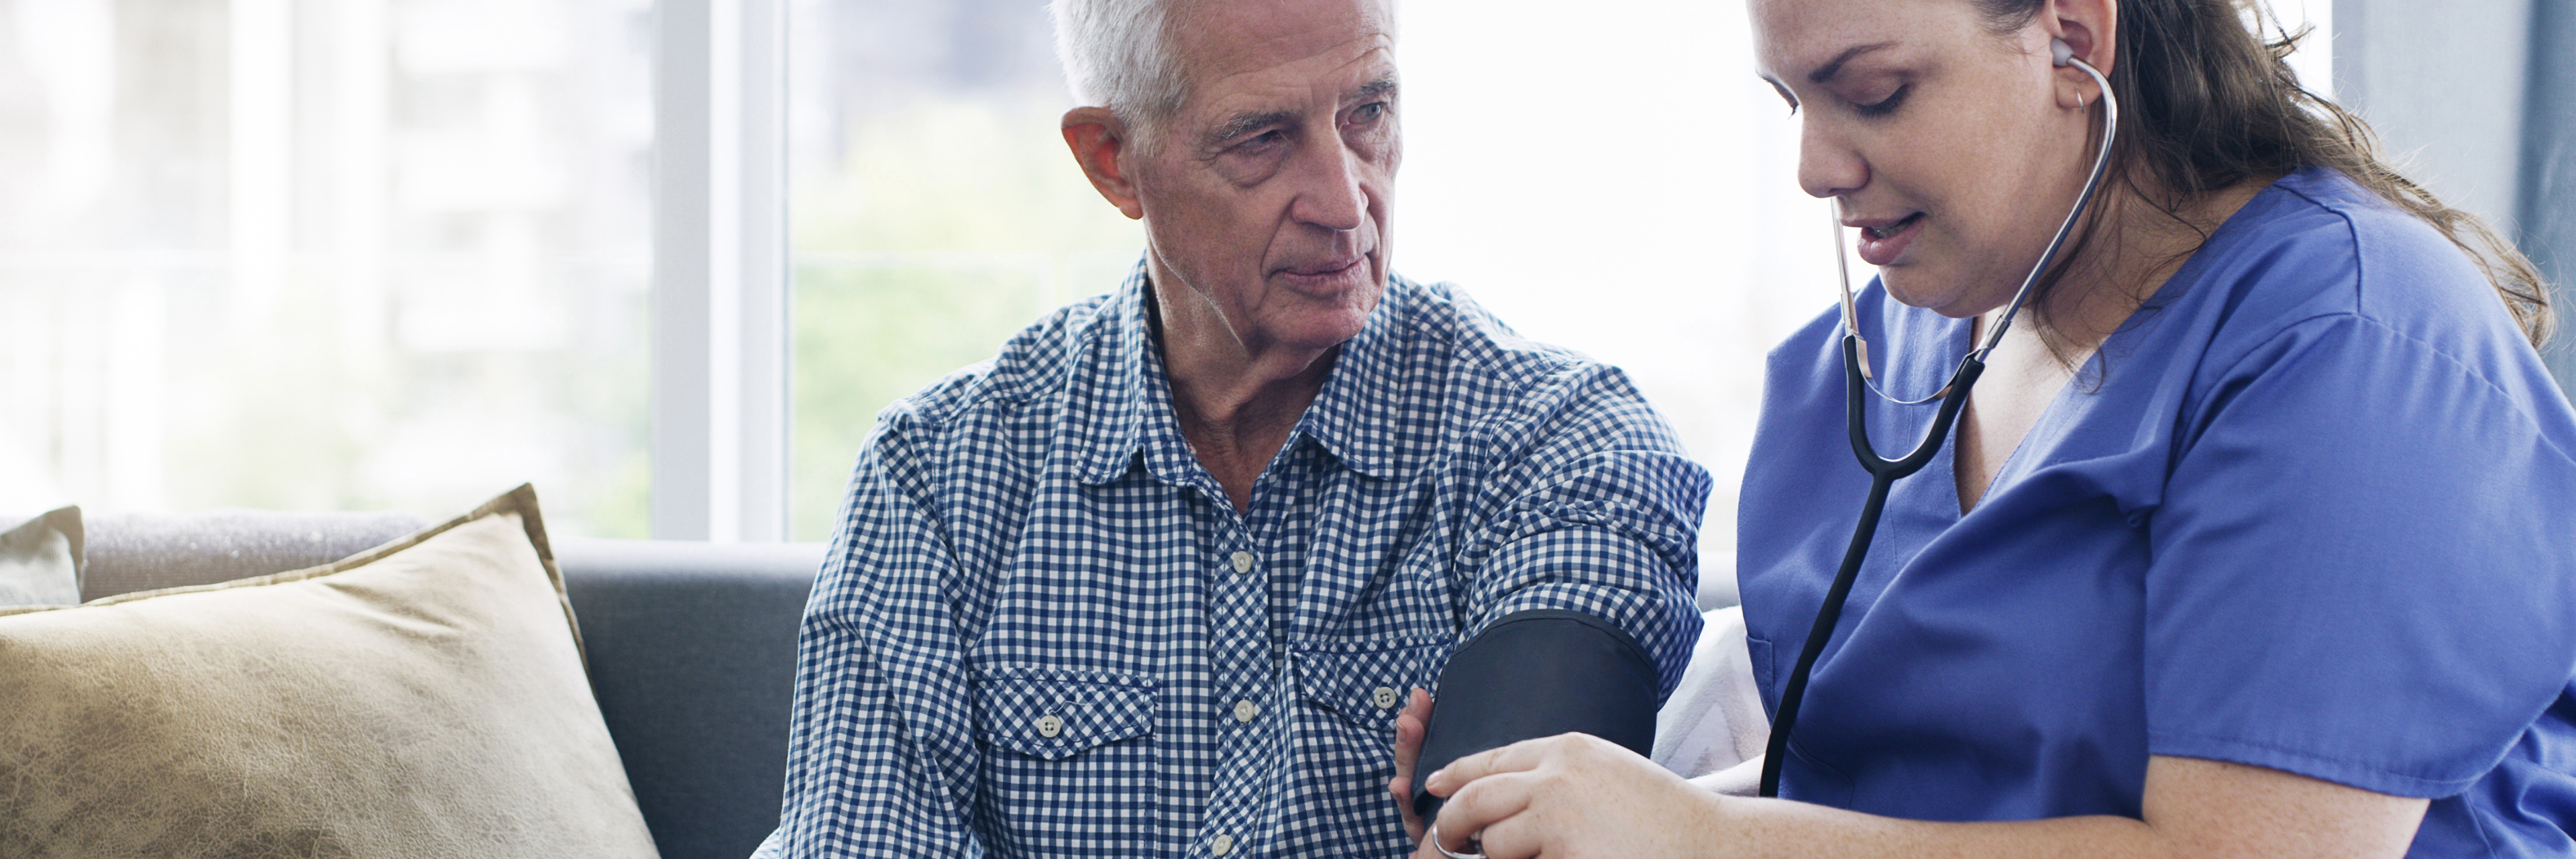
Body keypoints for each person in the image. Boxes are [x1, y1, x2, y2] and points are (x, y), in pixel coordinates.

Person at [1396, 0, 2576, 856]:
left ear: (2073, 40)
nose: (1813, 166)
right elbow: (1920, 792)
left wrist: (1701, 840)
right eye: (1790, 101)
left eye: (1874, 93)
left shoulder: (2346, 347)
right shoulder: (1877, 356)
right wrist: (1557, 805)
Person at [747, 0, 1711, 856]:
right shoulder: (940, 478)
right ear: (1113, 163)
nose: (1346, 204)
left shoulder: (1556, 442)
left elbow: (1532, 833)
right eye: (1260, 139)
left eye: (1368, 114)